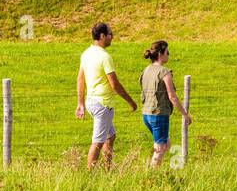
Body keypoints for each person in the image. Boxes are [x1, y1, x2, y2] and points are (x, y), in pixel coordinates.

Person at [75, 22, 137, 169]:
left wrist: (81, 103)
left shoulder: (86, 53)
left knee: (110, 136)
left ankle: (107, 169)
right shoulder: (105, 57)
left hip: (91, 101)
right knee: (97, 142)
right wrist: (131, 101)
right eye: (110, 34)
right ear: (102, 36)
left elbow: (80, 79)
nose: (112, 37)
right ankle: (90, 175)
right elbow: (114, 84)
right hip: (103, 104)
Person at [138, 40, 192, 169]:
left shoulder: (146, 70)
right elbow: (172, 96)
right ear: (161, 53)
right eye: (167, 52)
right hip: (159, 115)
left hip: (146, 114)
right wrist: (185, 114)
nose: (169, 54)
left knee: (166, 143)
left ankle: (153, 168)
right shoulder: (164, 72)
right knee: (161, 148)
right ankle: (152, 175)